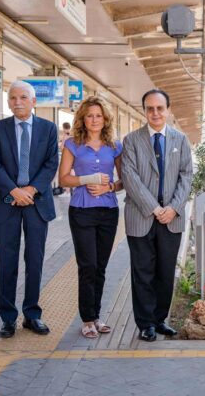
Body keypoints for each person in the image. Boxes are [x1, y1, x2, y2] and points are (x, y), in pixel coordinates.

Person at [0, 80, 59, 338]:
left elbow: (52, 164)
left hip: (36, 203)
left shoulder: (48, 129)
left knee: (35, 260)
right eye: (13, 98)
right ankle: (8, 318)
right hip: (8, 202)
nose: (17, 102)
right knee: (8, 262)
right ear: (8, 102)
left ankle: (32, 314)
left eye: (23, 98)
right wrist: (14, 191)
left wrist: (30, 190)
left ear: (33, 101)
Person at [122, 89, 193, 342]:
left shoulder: (180, 140)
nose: (155, 113)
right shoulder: (131, 140)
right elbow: (130, 178)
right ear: (144, 111)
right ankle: (145, 324)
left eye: (159, 108)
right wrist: (154, 208)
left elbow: (187, 176)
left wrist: (173, 208)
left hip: (171, 218)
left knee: (165, 270)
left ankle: (160, 319)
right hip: (141, 215)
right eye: (150, 108)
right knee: (142, 271)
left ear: (167, 109)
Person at [58, 97, 123, 338]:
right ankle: (87, 319)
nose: (94, 120)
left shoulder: (115, 145)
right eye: (89, 115)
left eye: (98, 115)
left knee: (101, 267)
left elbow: (123, 180)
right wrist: (89, 180)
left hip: (108, 211)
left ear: (105, 119)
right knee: (87, 266)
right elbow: (64, 178)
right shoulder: (73, 144)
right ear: (82, 119)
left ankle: (97, 316)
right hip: (81, 211)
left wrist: (109, 188)